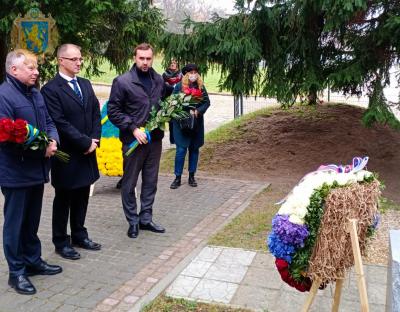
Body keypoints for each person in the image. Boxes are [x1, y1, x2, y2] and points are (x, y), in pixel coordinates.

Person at [0, 49, 62, 295]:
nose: (36, 72)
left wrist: (53, 141)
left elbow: (48, 122)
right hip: (15, 173)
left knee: (32, 220)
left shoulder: (35, 94)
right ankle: (16, 273)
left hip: (36, 171)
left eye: (36, 67)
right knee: (15, 224)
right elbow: (5, 136)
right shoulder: (4, 95)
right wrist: (41, 150)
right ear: (14, 70)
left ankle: (33, 261)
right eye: (31, 67)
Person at [41, 44, 102, 260]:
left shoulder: (84, 84)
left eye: (80, 59)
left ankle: (79, 234)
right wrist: (85, 142)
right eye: (73, 59)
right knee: (64, 199)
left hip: (88, 152)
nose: (78, 63)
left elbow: (95, 112)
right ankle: (61, 241)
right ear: (61, 61)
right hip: (68, 155)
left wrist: (94, 140)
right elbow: (60, 122)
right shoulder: (50, 90)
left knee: (82, 196)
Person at [108, 43, 172, 239]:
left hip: (154, 141)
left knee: (151, 181)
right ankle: (133, 221)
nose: (145, 62)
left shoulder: (158, 80)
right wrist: (133, 128)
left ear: (153, 58)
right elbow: (113, 111)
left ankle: (145, 218)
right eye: (141, 58)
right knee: (130, 183)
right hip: (133, 141)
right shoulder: (123, 81)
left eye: (148, 58)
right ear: (135, 58)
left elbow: (164, 99)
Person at [170, 64, 210, 189]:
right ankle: (177, 177)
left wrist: (198, 111)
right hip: (181, 123)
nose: (193, 75)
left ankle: (191, 176)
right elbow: (172, 103)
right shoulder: (179, 86)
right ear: (186, 74)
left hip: (195, 123)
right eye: (190, 72)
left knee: (194, 149)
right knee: (181, 150)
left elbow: (206, 102)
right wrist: (183, 109)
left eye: (195, 72)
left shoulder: (200, 87)